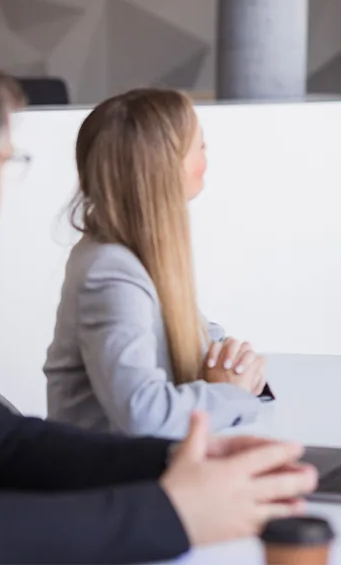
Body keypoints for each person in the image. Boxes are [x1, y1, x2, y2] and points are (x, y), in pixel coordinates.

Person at [0, 46, 317, 564]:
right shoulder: (107, 266)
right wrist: (175, 512)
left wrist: (173, 460)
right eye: (8, 165)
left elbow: (0, 444)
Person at [45, 88, 266, 438]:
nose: (206, 156)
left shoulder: (139, 253)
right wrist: (230, 393)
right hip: (108, 467)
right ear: (166, 167)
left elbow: (196, 335)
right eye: (200, 146)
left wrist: (231, 360)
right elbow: (142, 412)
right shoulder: (110, 272)